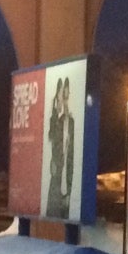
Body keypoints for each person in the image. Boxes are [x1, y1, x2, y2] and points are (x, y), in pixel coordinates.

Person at [44, 76, 75, 218]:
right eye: (62, 94)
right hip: (56, 176)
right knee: (53, 211)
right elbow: (52, 138)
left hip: (67, 179)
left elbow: (71, 154)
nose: (64, 98)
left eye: (66, 94)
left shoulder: (71, 121)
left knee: (66, 213)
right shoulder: (55, 119)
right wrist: (56, 112)